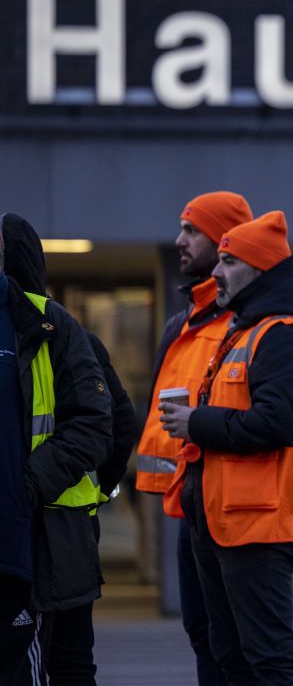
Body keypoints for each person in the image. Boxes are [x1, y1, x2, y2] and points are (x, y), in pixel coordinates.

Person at [159, 211, 293, 684]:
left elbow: (278, 422)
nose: (215, 272)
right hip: (226, 521)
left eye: (229, 261)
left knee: (268, 656)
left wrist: (198, 422)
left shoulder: (286, 332)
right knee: (231, 655)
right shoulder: (250, 329)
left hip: (260, 526)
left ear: (259, 268)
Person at [1, 213, 139, 685]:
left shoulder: (48, 331)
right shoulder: (73, 334)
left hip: (40, 536)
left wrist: (26, 484)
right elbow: (121, 424)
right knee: (73, 664)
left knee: (41, 662)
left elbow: (108, 423)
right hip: (70, 536)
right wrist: (98, 490)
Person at [135, 191, 253, 686]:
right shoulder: (180, 325)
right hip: (189, 506)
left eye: (192, 231)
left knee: (242, 647)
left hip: (234, 510)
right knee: (204, 637)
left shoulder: (247, 325)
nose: (180, 241)